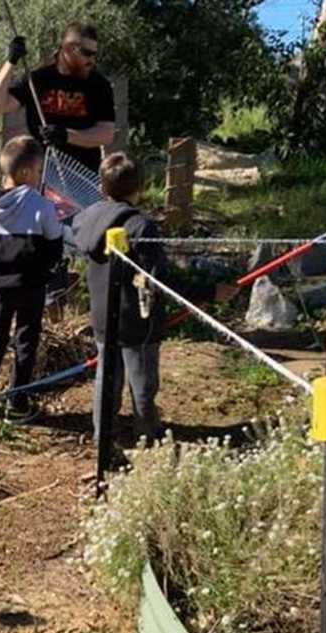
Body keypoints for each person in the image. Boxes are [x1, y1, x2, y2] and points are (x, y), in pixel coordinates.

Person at [73, 152, 238, 444]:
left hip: (102, 316)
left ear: (101, 187)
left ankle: (103, 436)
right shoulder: (140, 227)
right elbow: (161, 281)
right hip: (138, 321)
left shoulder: (86, 218)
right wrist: (211, 292)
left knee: (106, 380)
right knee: (143, 383)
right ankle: (147, 434)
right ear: (141, 188)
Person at [0, 136, 63, 424]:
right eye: (38, 171)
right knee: (26, 340)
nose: (39, 176)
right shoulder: (42, 206)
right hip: (31, 285)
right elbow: (55, 247)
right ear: (25, 174)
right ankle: (18, 400)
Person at [0, 22, 115, 173]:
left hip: (83, 176)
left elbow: (106, 134)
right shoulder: (37, 80)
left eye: (94, 54)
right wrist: (10, 62)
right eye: (87, 53)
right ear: (68, 49)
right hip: (41, 174)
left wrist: (66, 135)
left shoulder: (99, 85)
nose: (92, 60)